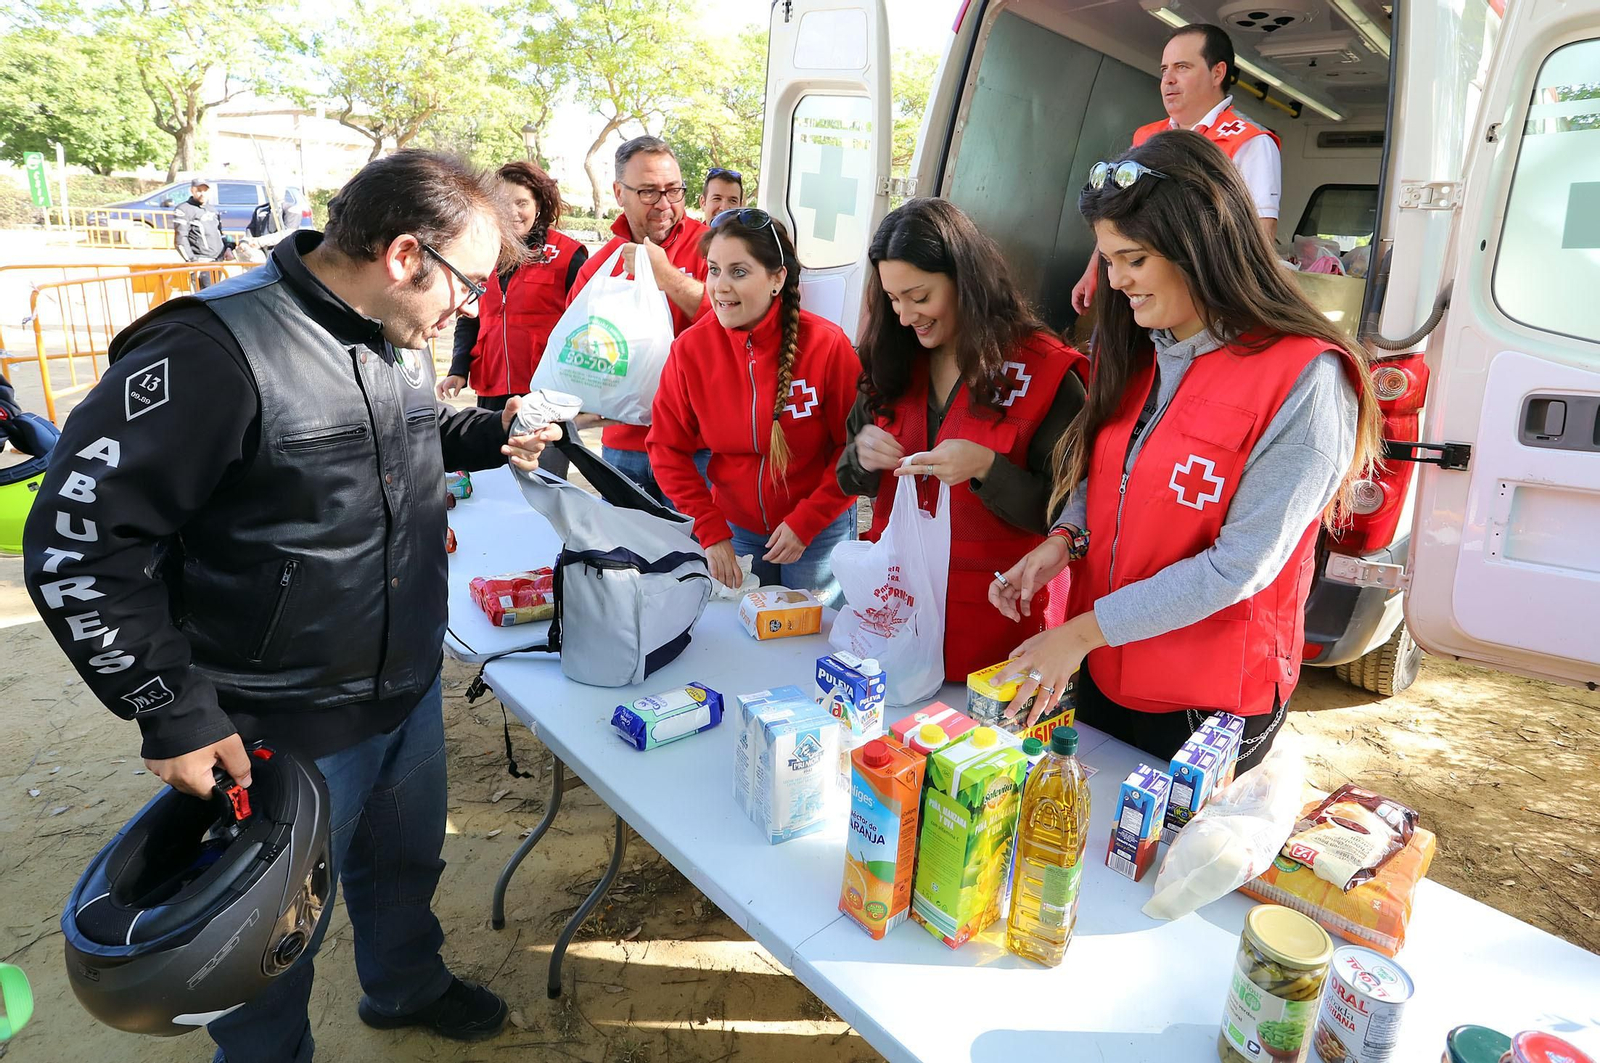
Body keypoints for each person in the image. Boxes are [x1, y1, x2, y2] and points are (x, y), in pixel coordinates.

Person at [22, 149, 563, 1063]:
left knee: (403, 863)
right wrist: (173, 712)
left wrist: (491, 428)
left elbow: (396, 435)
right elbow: (80, 544)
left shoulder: (394, 331)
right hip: (274, 718)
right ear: (403, 255)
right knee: (262, 934)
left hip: (402, 682)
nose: (466, 308)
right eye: (465, 283)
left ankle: (405, 984)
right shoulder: (210, 350)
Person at [991, 131, 1384, 775]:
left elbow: (1240, 567)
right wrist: (1065, 540)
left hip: (1209, 704)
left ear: (1199, 247)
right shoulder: (1143, 351)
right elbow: (1111, 475)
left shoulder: (1307, 379)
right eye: (1108, 260)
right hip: (1109, 671)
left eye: (1133, 259)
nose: (1116, 282)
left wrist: (1082, 632)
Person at [838, 198, 1088, 681]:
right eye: (892, 298)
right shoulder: (893, 359)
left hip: (996, 629)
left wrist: (987, 469)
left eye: (919, 295)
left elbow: (1066, 518)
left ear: (964, 281)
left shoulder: (1045, 372)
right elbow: (851, 480)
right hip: (896, 621)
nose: (907, 315)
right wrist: (861, 454)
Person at [648, 209, 859, 602]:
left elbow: (854, 449)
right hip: (735, 528)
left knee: (809, 642)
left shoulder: (827, 346)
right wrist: (710, 530)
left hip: (819, 529)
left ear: (777, 278)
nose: (720, 286)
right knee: (743, 639)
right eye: (713, 270)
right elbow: (666, 447)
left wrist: (807, 521)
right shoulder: (690, 351)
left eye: (738, 272)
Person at [1070, 24, 1283, 314]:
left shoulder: (1249, 141)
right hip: (1138, 292)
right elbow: (1117, 217)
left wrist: (1232, 307)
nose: (1168, 80)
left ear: (1217, 73)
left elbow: (1261, 234)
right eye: (1164, 70)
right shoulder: (1146, 137)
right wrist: (1093, 272)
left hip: (1204, 301)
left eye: (1182, 67)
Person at [565, 136, 710, 504]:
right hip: (623, 447)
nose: (665, 205)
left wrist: (669, 278)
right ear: (618, 192)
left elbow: (741, 324)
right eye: (648, 192)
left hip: (699, 449)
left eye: (674, 190)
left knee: (698, 559)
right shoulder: (599, 266)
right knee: (627, 559)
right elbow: (573, 347)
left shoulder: (713, 246)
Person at [439, 160, 589, 477]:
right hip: (491, 388)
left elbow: (585, 324)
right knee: (492, 479)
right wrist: (458, 368)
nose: (513, 212)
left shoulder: (568, 254)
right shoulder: (484, 252)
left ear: (539, 206)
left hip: (544, 393)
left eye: (521, 202)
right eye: (504, 203)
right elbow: (471, 316)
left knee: (541, 481)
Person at [174, 176, 231, 286]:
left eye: (205, 190)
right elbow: (180, 239)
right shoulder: (183, 209)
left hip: (218, 261)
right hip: (201, 262)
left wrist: (229, 247)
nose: (202, 193)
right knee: (205, 298)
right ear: (192, 191)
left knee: (216, 296)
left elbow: (220, 233)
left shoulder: (212, 209)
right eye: (199, 190)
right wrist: (192, 261)